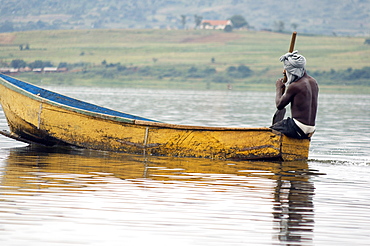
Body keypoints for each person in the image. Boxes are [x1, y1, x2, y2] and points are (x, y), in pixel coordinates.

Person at [270, 51, 319, 139]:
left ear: (292, 71)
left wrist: (278, 87)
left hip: (298, 127)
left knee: (269, 132)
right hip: (311, 129)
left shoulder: (295, 86)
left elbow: (279, 105)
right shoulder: (313, 82)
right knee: (282, 125)